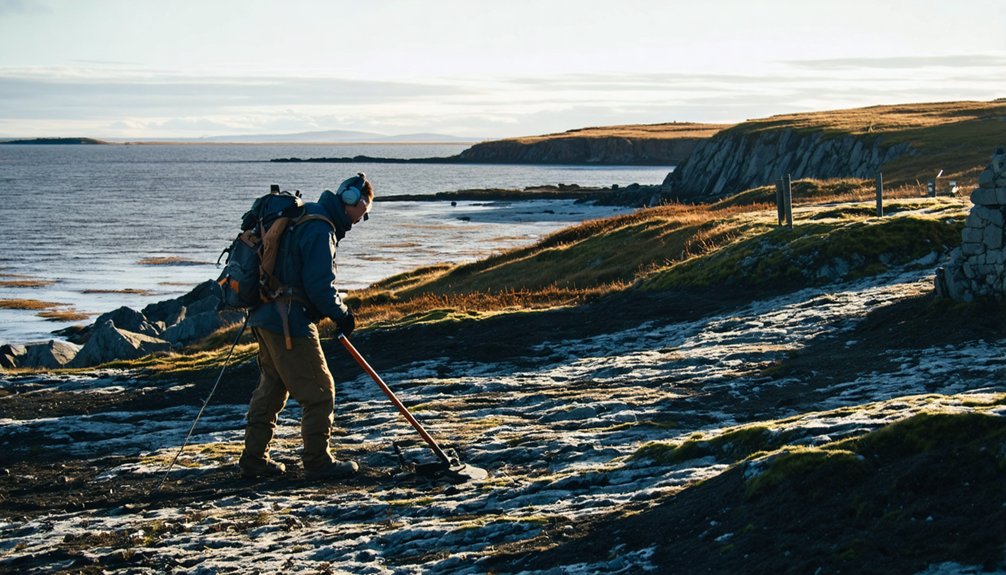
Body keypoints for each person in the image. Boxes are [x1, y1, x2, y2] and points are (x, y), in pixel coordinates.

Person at [238, 172, 374, 480]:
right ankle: (317, 462)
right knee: (320, 391)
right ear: (350, 199)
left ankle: (253, 460)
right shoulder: (320, 227)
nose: (360, 219)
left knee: (271, 390)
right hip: (289, 321)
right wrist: (342, 314)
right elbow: (318, 285)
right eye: (362, 211)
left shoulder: (305, 216)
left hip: (264, 315)